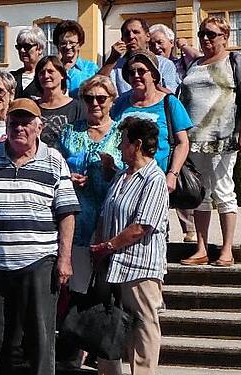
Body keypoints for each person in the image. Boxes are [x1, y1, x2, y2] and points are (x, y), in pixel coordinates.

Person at [0, 98, 79, 375]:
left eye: (26, 122)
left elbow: (66, 213)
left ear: (38, 126)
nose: (19, 127)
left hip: (38, 263)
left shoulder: (53, 160)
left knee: (40, 341)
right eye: (14, 122)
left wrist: (64, 259)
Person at [87, 116, 169, 375]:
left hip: (140, 263)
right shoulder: (123, 176)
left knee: (144, 322)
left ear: (136, 144)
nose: (119, 146)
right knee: (108, 320)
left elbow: (142, 226)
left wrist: (107, 246)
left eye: (123, 141)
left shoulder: (154, 178)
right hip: (112, 263)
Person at [178, 16, 241, 267]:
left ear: (225, 36)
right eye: (202, 34)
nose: (206, 38)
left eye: (211, 34)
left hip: (222, 137)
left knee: (223, 191)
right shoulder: (195, 64)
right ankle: (201, 248)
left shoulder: (233, 61)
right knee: (200, 194)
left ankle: (226, 249)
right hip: (194, 138)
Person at [59, 75, 123, 290]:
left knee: (110, 283)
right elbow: (56, 167)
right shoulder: (69, 132)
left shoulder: (123, 133)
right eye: (89, 98)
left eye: (101, 98)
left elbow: (134, 170)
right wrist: (68, 176)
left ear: (112, 100)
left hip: (112, 215)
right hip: (78, 216)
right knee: (79, 284)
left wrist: (111, 169)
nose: (95, 103)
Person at [148, 23, 201, 243]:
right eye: (152, 44)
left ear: (171, 43)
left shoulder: (181, 63)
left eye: (160, 42)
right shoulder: (149, 65)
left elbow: (199, 59)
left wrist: (185, 45)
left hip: (179, 122)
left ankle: (189, 229)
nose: (157, 47)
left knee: (180, 177)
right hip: (161, 124)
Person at [111, 49, 192, 191]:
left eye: (141, 71)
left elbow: (183, 143)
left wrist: (172, 175)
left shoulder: (170, 102)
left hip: (156, 178)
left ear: (154, 75)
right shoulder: (121, 103)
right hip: (123, 178)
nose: (136, 75)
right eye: (131, 72)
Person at [99, 18, 180, 95]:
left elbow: (172, 95)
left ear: (148, 36)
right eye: (127, 34)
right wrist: (112, 59)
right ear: (122, 39)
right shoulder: (115, 66)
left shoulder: (164, 64)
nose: (131, 37)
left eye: (136, 32)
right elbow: (97, 86)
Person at [35, 55, 84, 149]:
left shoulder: (77, 107)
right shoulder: (32, 107)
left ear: (62, 75)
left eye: (50, 71)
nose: (46, 76)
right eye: (41, 73)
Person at [53, 20, 99, 99]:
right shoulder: (52, 69)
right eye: (63, 43)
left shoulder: (90, 69)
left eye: (72, 43)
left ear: (79, 44)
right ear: (57, 45)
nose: (68, 47)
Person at [10, 27, 45, 99]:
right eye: (19, 47)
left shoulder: (47, 77)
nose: (22, 50)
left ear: (40, 49)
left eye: (27, 46)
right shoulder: (12, 78)